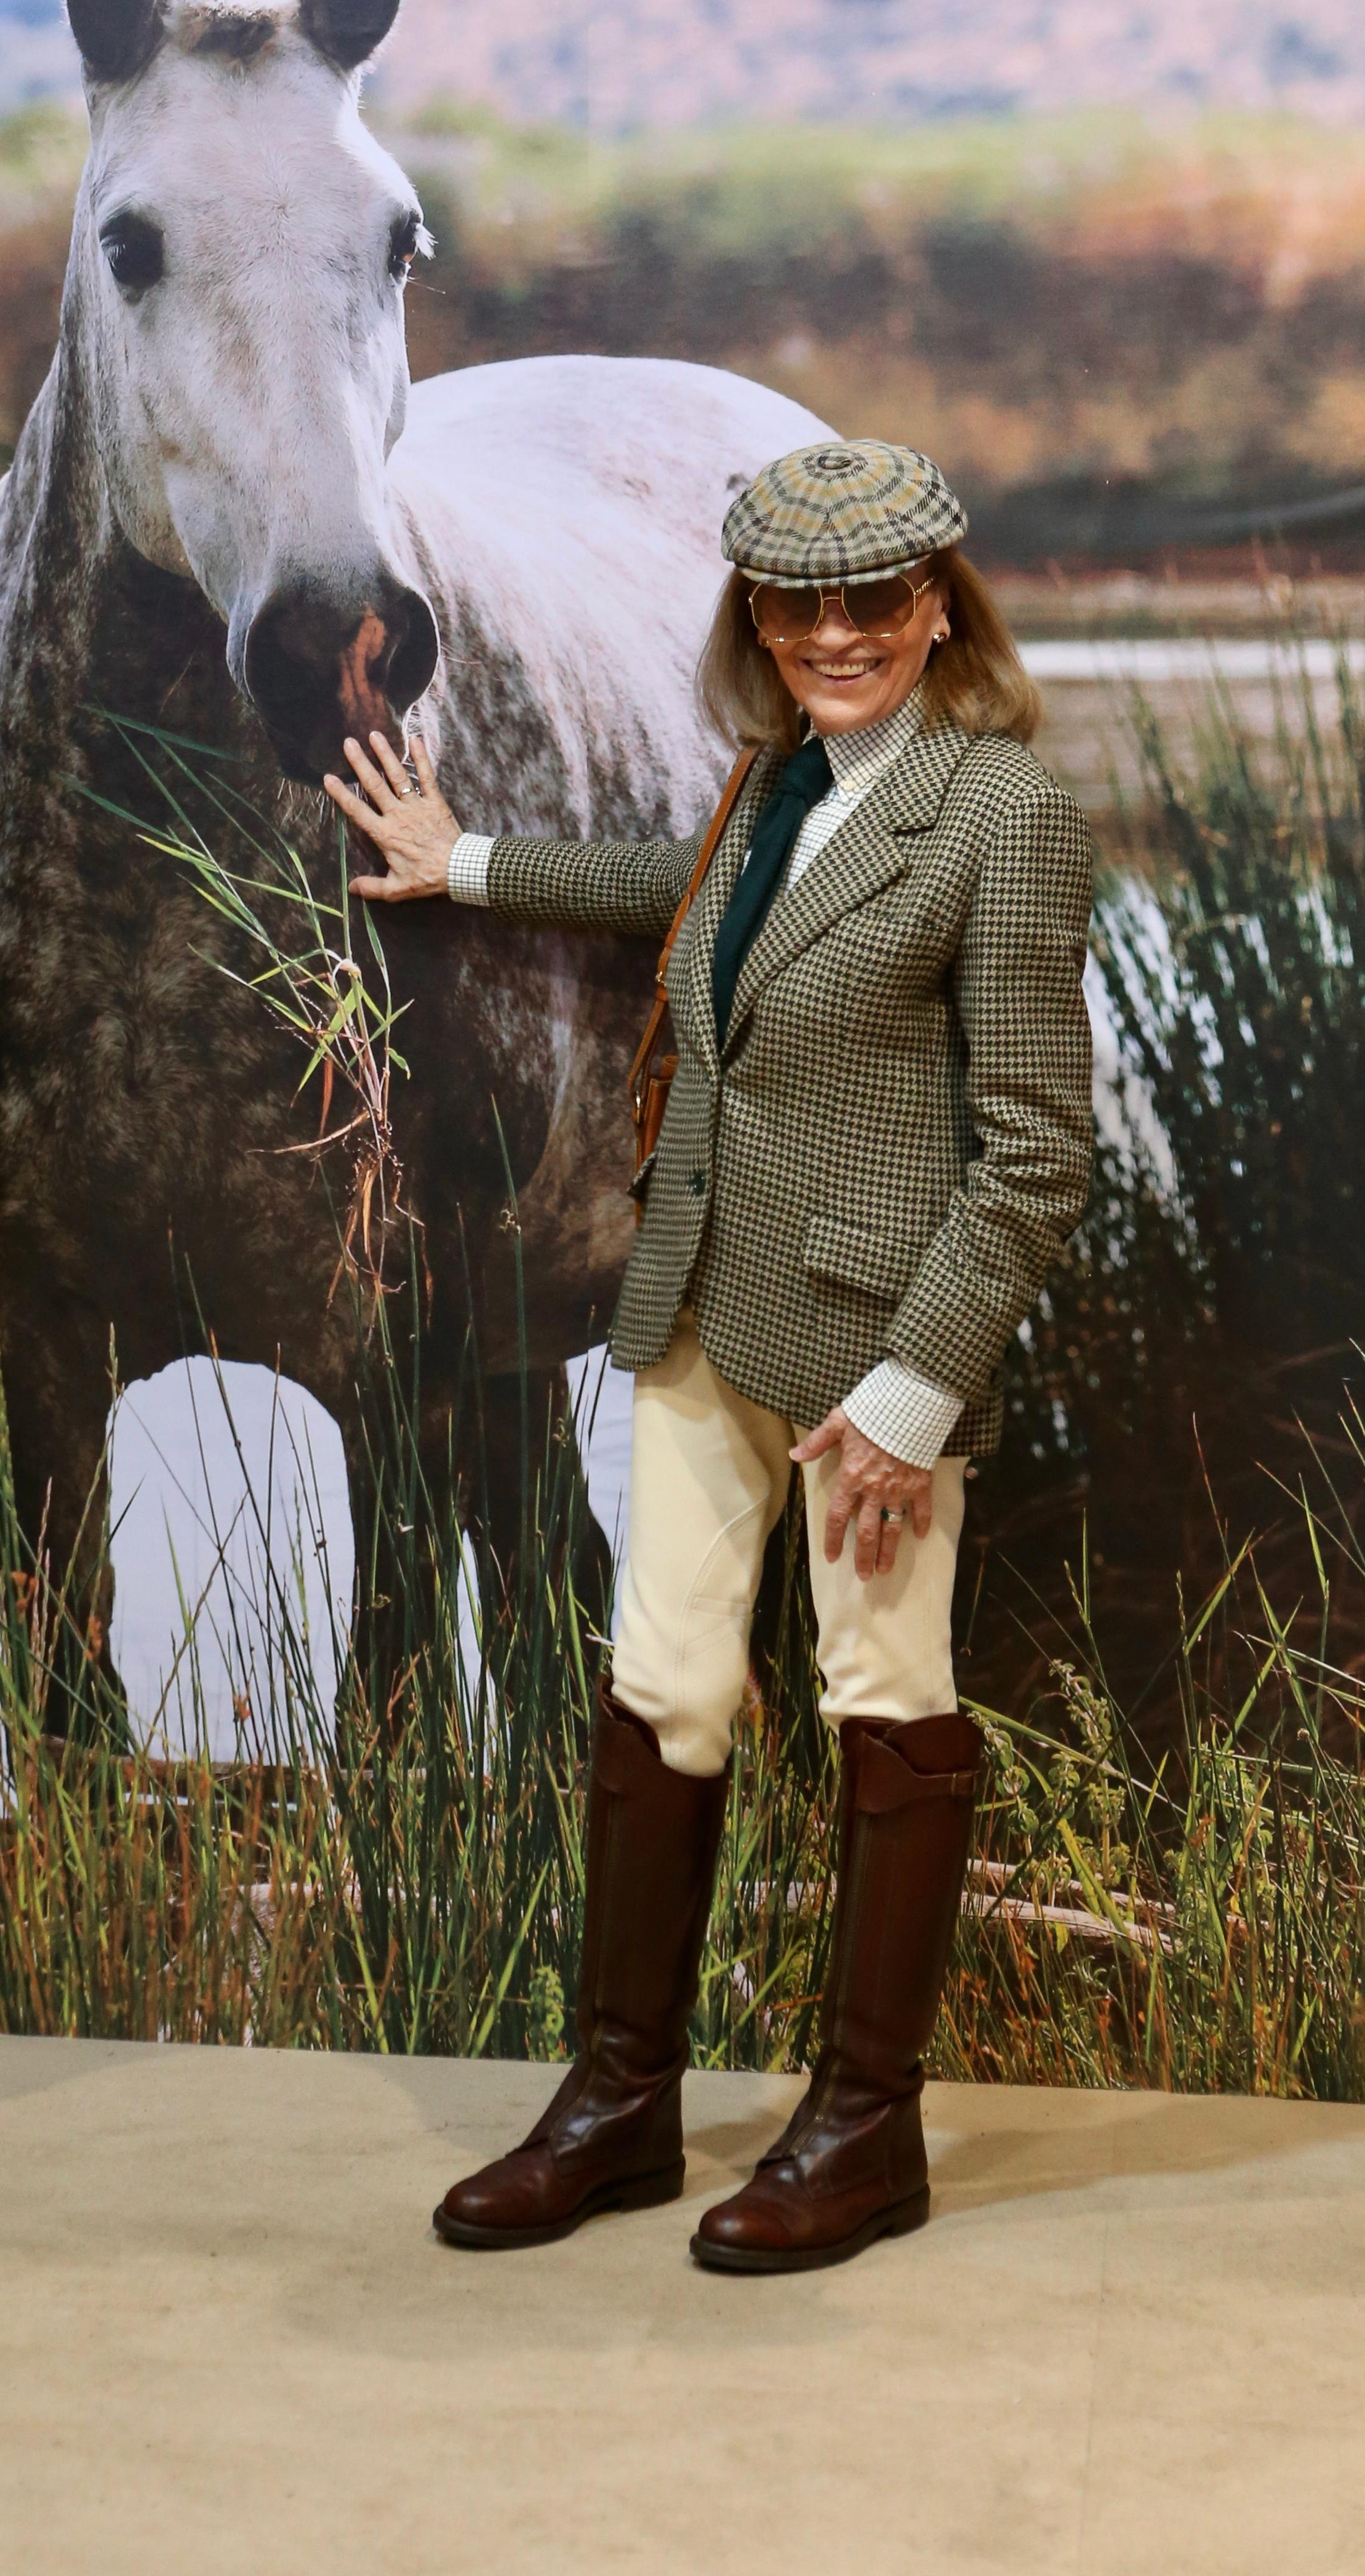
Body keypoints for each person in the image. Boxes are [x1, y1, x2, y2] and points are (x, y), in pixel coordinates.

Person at [326, 439, 1092, 2274]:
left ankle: (865, 2129)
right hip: (695, 1315)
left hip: (867, 1367)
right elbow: (687, 894)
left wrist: (913, 1397)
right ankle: (620, 2103)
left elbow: (1040, 1150)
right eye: (795, 605)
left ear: (934, 608)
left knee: (881, 1708)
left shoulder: (1000, 814)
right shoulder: (777, 786)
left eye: (871, 603)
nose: (834, 634)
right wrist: (468, 860)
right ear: (758, 616)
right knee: (663, 1689)